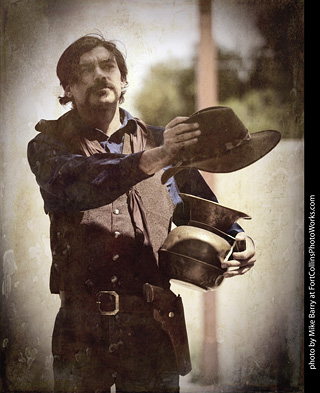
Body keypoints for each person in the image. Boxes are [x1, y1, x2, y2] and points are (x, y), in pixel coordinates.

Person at [27, 34, 256, 393]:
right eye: (85, 70)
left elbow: (205, 216)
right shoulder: (48, 146)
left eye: (108, 66)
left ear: (123, 81)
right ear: (68, 88)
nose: (99, 74)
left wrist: (239, 239)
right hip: (81, 335)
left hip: (154, 331)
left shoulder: (162, 141)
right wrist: (158, 157)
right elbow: (81, 181)